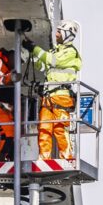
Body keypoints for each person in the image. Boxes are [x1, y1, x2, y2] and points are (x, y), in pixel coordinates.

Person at [28, 20, 82, 161]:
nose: (56, 34)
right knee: (44, 129)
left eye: (59, 32)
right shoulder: (55, 51)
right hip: (48, 97)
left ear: (67, 34)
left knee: (60, 129)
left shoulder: (70, 52)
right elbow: (42, 64)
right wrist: (31, 52)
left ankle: (67, 158)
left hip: (62, 97)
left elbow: (53, 61)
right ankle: (44, 158)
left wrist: (35, 49)